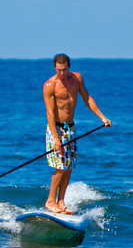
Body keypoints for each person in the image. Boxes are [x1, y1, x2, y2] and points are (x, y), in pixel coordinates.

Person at [43, 53, 111, 214]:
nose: (61, 73)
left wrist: (102, 117)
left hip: (70, 128)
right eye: (59, 70)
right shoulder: (49, 85)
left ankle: (61, 201)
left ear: (69, 67)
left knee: (68, 167)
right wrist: (56, 138)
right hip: (56, 129)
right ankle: (50, 201)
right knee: (60, 167)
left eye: (64, 70)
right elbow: (50, 114)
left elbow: (87, 98)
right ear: (55, 68)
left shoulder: (77, 79)